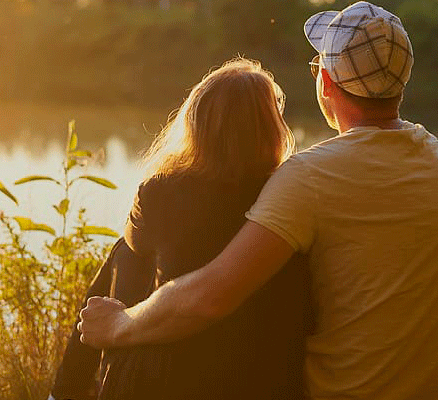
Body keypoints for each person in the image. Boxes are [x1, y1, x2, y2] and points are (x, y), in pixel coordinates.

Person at [79, 2, 438, 399]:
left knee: (127, 251)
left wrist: (118, 325)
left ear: (325, 82)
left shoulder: (309, 176)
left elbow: (211, 296)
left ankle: (66, 390)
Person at [52, 58, 314, 400]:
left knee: (125, 254)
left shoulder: (162, 191)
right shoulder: (288, 191)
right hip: (268, 374)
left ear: (196, 122)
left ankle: (64, 391)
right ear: (271, 128)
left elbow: (133, 247)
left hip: (173, 374)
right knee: (129, 253)